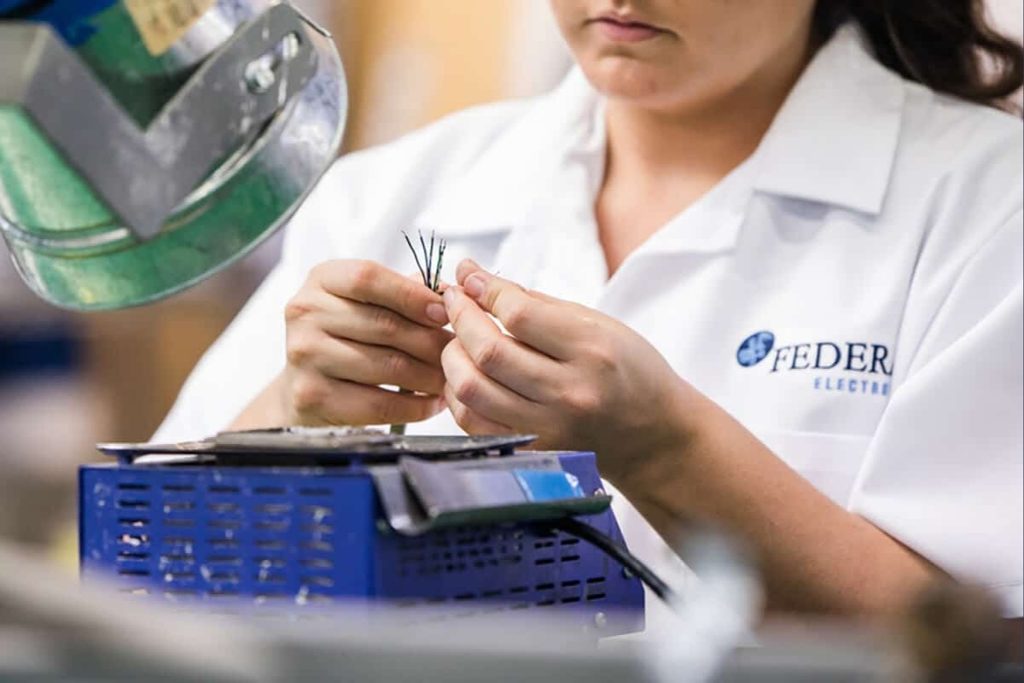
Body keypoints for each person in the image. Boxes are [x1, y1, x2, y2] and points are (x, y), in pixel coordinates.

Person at [156, 0, 1024, 630]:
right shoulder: (392, 197)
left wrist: (673, 448)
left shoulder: (988, 204)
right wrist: (291, 414)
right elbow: (141, 566)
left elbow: (985, 641)